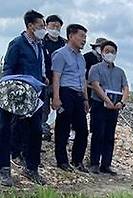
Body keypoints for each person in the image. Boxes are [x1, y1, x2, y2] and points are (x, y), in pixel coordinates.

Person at [0, 10, 49, 187]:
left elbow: (38, 67)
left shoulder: (39, 46)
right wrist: (13, 92)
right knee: (6, 130)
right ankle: (4, 169)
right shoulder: (17, 43)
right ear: (30, 26)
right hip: (15, 95)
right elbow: (8, 70)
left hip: (34, 95)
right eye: (41, 26)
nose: (43, 29)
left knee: (36, 130)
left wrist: (43, 78)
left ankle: (32, 168)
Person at [51, 23, 90, 173]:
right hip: (65, 92)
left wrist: (85, 99)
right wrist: (56, 97)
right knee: (63, 128)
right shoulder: (61, 54)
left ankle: (77, 160)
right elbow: (56, 76)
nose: (84, 40)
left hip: (78, 95)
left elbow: (83, 80)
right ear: (71, 36)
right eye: (81, 36)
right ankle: (62, 161)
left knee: (82, 129)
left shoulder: (81, 58)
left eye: (85, 37)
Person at [88, 40, 129, 175]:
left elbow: (125, 87)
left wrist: (122, 102)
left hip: (115, 107)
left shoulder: (120, 71)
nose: (110, 54)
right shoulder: (95, 68)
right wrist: (106, 100)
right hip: (99, 105)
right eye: (107, 51)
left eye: (112, 52)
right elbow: (95, 85)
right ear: (102, 52)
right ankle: (94, 163)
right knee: (98, 134)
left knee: (109, 136)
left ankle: (106, 164)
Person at [41, 14, 67, 141]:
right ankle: (43, 131)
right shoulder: (41, 42)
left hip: (61, 83)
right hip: (44, 81)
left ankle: (62, 134)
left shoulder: (64, 44)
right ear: (47, 26)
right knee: (43, 109)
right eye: (53, 26)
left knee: (62, 109)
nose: (55, 29)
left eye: (58, 27)